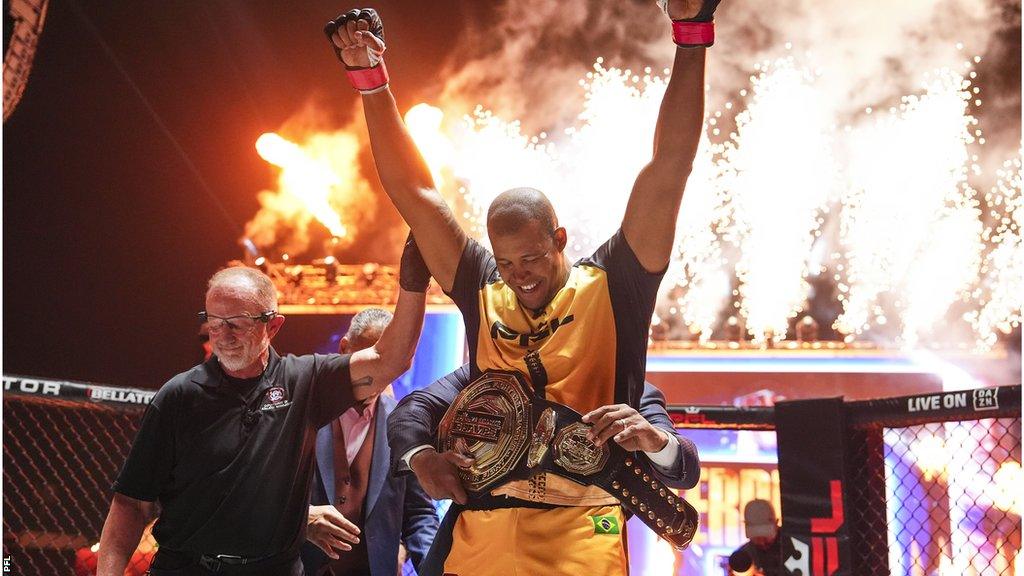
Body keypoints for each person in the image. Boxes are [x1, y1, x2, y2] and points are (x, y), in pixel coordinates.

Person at [325, 1, 714, 573]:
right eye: (506, 263)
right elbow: (415, 193)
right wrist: (371, 81)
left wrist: (691, 32)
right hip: (480, 536)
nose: (520, 274)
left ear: (559, 238)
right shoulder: (484, 288)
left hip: (583, 535)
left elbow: (669, 167)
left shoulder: (615, 283)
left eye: (532, 256)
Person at [96, 237, 430, 576]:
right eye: (214, 321)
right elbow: (130, 503)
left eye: (237, 324)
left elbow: (389, 360)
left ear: (272, 325)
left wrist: (414, 282)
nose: (221, 335)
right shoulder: (179, 396)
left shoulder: (304, 382)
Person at [387, 365, 700, 573]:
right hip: (481, 551)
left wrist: (655, 440)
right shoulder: (488, 371)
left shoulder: (627, 388)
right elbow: (412, 410)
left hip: (582, 553)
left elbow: (684, 469)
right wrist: (422, 457)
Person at [300, 307, 439, 576]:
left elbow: (418, 514)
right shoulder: (300, 412)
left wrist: (437, 569)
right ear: (343, 348)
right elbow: (266, 495)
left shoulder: (405, 424)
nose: (375, 374)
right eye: (367, 360)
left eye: (387, 364)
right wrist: (303, 519)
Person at [728, 499, 782, 576]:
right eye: (756, 538)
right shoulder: (744, 556)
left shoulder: (793, 545)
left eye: (765, 537)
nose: (761, 542)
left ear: (776, 523)